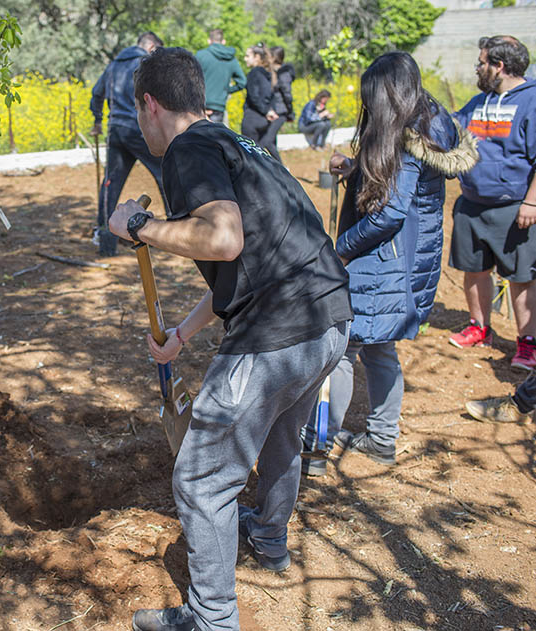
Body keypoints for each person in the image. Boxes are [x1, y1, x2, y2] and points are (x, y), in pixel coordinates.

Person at [109, 47, 353, 631]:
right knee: (277, 442)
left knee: (199, 478)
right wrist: (182, 336)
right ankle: (269, 539)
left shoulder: (189, 148)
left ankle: (212, 618)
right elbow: (249, 266)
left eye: (138, 112)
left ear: (149, 104)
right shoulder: (243, 145)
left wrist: (138, 225)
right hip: (329, 320)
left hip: (278, 335)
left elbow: (222, 240)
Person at [300, 53, 478, 476]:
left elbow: (388, 213)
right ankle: (381, 438)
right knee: (379, 346)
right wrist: (356, 168)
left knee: (341, 348)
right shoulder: (430, 120)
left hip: (383, 260)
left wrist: (339, 251)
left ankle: (315, 446)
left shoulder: (410, 135)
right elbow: (396, 186)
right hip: (404, 257)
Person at [447, 36, 536, 370]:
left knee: (521, 276)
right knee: (474, 269)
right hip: (472, 204)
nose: (477, 68)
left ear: (499, 66)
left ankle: (528, 343)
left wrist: (532, 203)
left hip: (515, 208)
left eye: (482, 62)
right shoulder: (477, 102)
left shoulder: (531, 102)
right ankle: (479, 326)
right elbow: (450, 129)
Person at [90, 31, 165, 256]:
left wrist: (97, 120)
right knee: (166, 172)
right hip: (139, 129)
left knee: (110, 183)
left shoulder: (113, 65)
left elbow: (96, 93)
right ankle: (178, 226)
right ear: (150, 46)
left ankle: (105, 240)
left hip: (116, 130)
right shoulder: (145, 63)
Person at [241, 43, 283, 162]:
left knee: (250, 159)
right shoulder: (268, 74)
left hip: (252, 120)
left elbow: (253, 96)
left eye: (248, 56)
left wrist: (265, 110)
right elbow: (271, 96)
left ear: (257, 57)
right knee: (263, 156)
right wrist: (269, 111)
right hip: (264, 120)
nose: (245, 59)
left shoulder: (254, 73)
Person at [194, 28, 246, 124]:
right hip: (218, 105)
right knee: (214, 137)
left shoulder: (201, 55)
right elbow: (242, 82)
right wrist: (226, 90)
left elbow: (189, 77)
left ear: (209, 41)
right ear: (223, 41)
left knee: (197, 137)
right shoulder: (231, 59)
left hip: (200, 104)